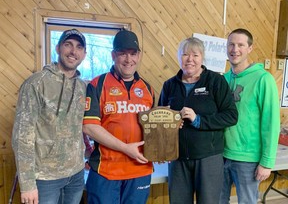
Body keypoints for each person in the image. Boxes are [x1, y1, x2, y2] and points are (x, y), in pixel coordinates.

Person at [158, 37, 238, 204]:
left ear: (202, 58)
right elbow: (160, 121)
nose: (190, 59)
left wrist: (198, 120)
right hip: (177, 158)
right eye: (185, 54)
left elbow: (231, 116)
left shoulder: (215, 81)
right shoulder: (169, 85)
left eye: (195, 55)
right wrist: (170, 126)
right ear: (179, 57)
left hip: (208, 158)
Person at [12, 28, 87, 204]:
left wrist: (87, 154)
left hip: (76, 175)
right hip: (45, 178)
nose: (73, 51)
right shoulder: (36, 83)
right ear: (58, 48)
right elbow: (22, 137)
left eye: (78, 47)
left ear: (84, 54)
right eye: (68, 45)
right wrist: (28, 184)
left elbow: (80, 127)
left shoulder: (83, 87)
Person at [83, 29, 155, 204]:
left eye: (133, 54)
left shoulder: (148, 88)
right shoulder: (97, 84)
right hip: (106, 171)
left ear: (139, 56)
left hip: (140, 170)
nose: (128, 60)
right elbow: (89, 127)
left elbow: (153, 128)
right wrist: (125, 148)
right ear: (113, 55)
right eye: (123, 54)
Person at [219, 28, 281, 204]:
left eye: (240, 45)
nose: (234, 49)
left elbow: (271, 123)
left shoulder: (263, 79)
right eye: (231, 44)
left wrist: (267, 162)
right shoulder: (223, 80)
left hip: (248, 159)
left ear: (250, 48)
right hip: (221, 155)